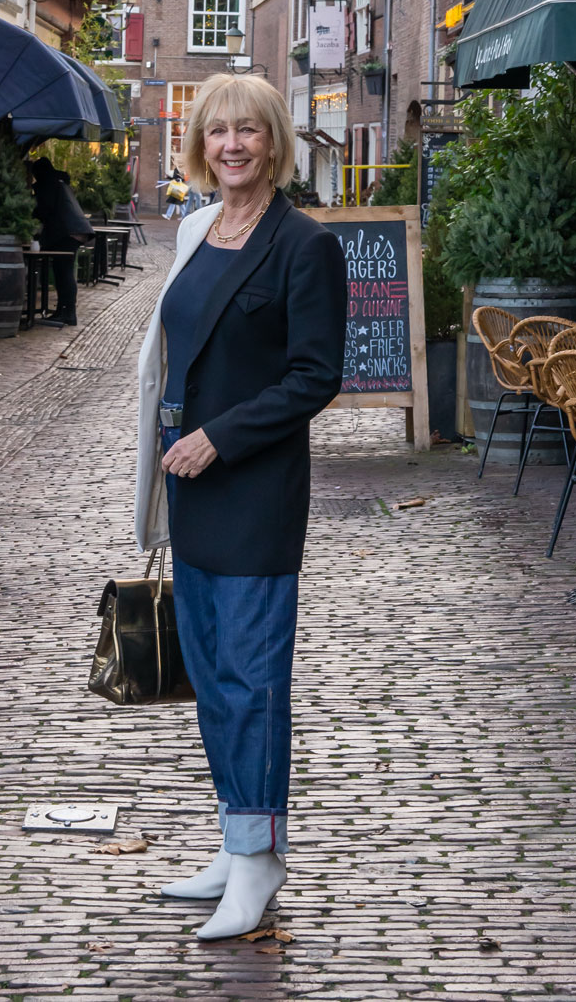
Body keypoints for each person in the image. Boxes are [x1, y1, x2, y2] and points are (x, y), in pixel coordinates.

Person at [134, 73, 346, 941]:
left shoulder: (303, 245)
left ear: (273, 142)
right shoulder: (192, 230)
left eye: (248, 131)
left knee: (254, 680)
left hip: (252, 487)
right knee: (214, 678)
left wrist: (218, 436)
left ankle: (259, 864)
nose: (231, 145)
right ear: (199, 144)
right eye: (217, 131)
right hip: (189, 488)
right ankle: (235, 838)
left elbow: (314, 375)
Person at [32, 157, 92, 326]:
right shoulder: (59, 182)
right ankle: (63, 310)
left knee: (64, 272)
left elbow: (45, 210)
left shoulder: (49, 184)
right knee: (62, 272)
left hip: (67, 233)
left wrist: (32, 215)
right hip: (73, 230)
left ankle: (68, 313)